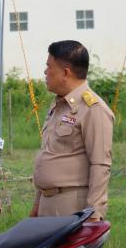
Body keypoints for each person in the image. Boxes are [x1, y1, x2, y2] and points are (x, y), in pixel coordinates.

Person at [30, 40, 114, 221]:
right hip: (47, 202)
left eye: (49, 66)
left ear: (65, 73)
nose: (45, 72)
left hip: (71, 205)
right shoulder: (59, 106)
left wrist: (93, 214)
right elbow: (49, 155)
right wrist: (38, 203)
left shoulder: (93, 109)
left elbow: (100, 165)